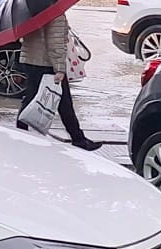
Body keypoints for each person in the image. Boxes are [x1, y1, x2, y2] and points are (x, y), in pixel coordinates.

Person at [15, 10, 99, 151]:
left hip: (30, 60)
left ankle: (21, 131)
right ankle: (78, 139)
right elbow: (55, 44)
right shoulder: (55, 14)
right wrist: (60, 69)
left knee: (31, 97)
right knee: (64, 102)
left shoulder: (30, 10)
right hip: (46, 64)